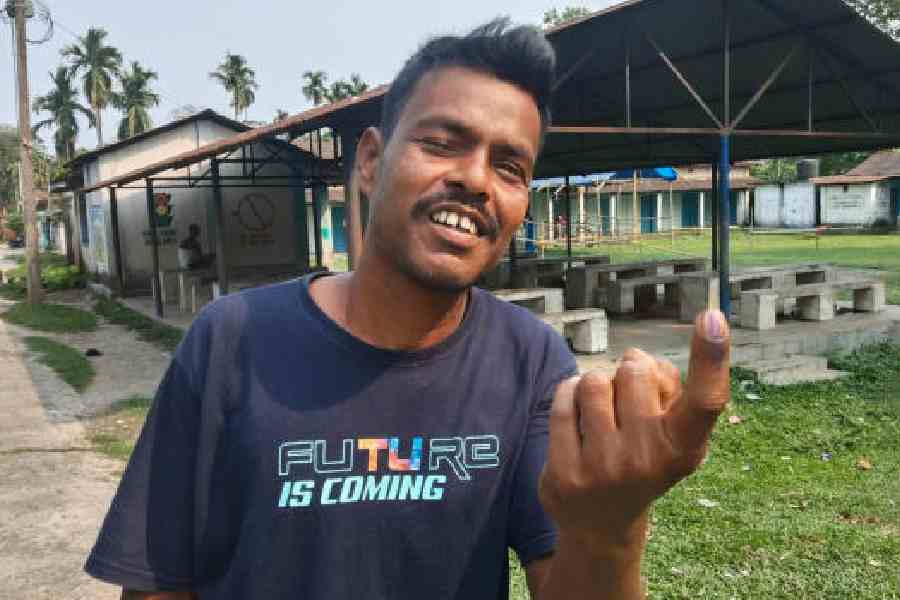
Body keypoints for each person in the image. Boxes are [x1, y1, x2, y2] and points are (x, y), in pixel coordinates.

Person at [85, 19, 730, 600]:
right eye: (444, 142)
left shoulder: (530, 361)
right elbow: (159, 584)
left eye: (509, 166)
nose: (476, 180)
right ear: (369, 161)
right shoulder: (230, 339)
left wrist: (609, 532)